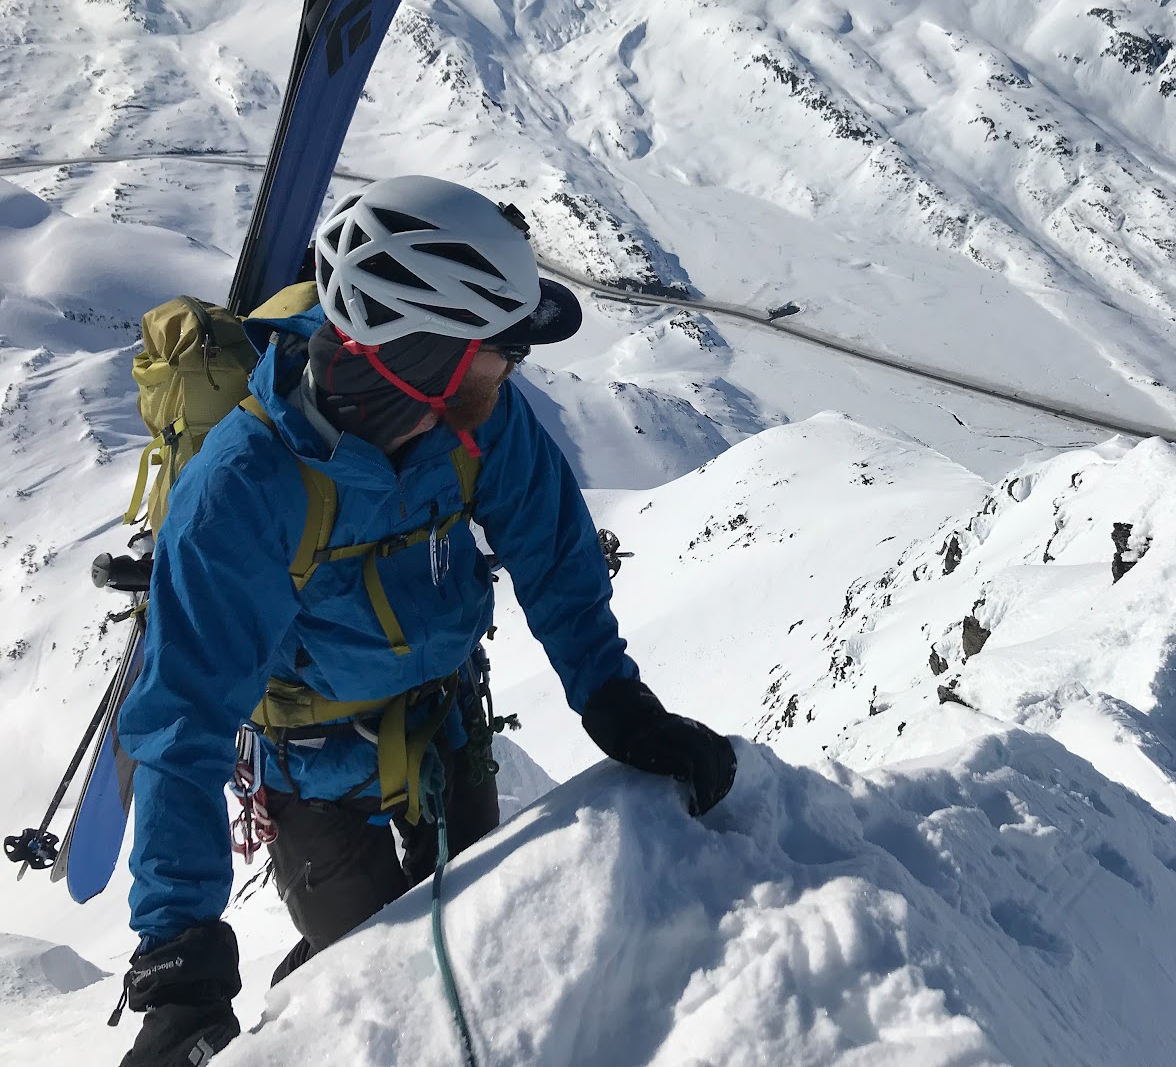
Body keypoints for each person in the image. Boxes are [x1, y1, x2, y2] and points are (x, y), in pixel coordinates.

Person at [113, 176, 737, 1067]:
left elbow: (554, 556)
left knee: (485, 951)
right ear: (426, 355)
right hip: (313, 776)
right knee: (380, 993)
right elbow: (183, 720)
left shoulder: (479, 424)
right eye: (500, 349)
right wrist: (182, 963)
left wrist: (619, 706)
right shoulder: (244, 488)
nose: (515, 368)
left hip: (445, 728)